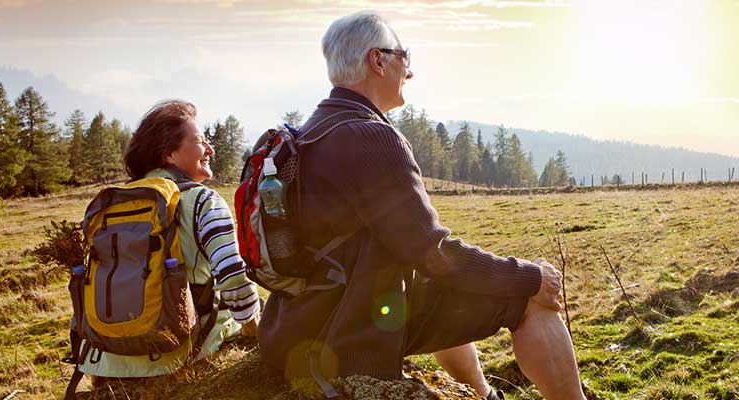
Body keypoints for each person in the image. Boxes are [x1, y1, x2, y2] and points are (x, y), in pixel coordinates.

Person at [256, 11, 585, 400]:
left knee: (437, 285)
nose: (408, 71)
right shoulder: (372, 138)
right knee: (526, 300)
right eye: (403, 56)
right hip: (343, 338)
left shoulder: (309, 133)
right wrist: (531, 277)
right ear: (377, 61)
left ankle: (482, 394)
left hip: (294, 326)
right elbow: (434, 253)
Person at [79, 100, 261, 382]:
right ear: (169, 155)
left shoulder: (114, 203)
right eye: (200, 141)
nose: (210, 150)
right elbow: (232, 277)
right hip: (176, 352)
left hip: (109, 358)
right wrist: (254, 329)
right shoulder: (204, 201)